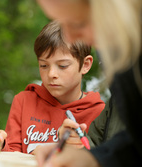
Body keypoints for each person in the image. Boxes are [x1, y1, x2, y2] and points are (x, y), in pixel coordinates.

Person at [35, 0, 141, 166]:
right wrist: (94, 159)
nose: (69, 37)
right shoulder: (117, 48)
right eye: (60, 22)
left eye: (78, 23)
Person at [0, 20, 105, 154]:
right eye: (44, 65)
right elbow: (11, 154)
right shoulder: (23, 101)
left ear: (85, 65)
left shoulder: (99, 112)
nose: (51, 74)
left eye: (62, 66)